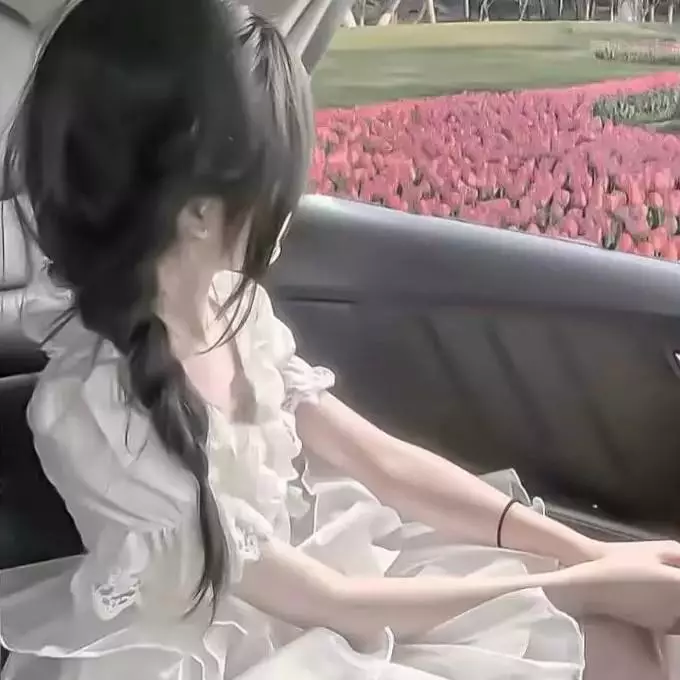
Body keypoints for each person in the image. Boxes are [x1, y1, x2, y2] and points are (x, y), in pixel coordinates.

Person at [1, 1, 680, 678]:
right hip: (242, 646)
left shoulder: (236, 311)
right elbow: (330, 601)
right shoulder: (96, 413)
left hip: (320, 584)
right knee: (593, 634)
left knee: (621, 631)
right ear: (201, 212)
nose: (290, 206)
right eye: (277, 186)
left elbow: (382, 462)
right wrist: (582, 584)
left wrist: (587, 553)